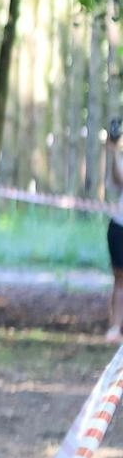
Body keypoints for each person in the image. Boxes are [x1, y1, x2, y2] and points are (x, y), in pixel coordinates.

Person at [104, 120, 123, 342]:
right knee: (120, 280)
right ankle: (116, 327)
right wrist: (114, 151)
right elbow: (119, 178)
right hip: (120, 225)